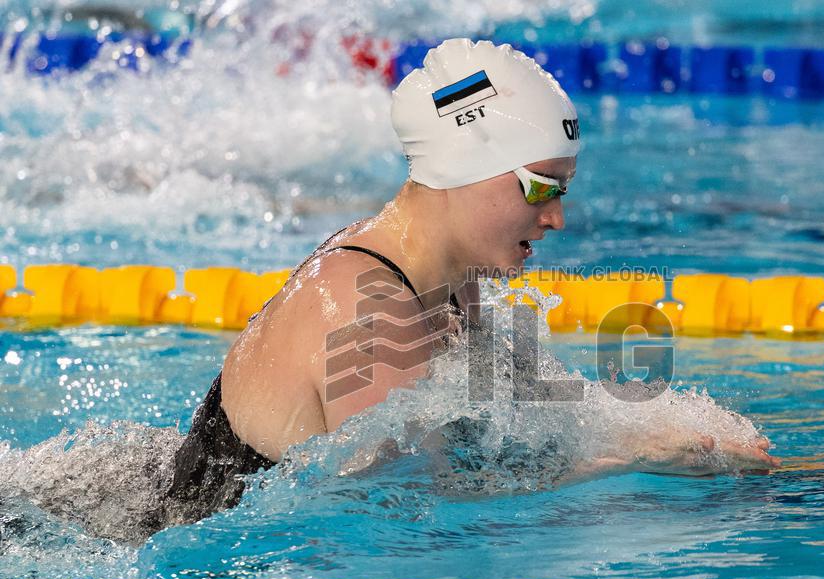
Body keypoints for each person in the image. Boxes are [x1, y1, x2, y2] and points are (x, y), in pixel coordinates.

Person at [160, 38, 778, 530]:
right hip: (202, 552)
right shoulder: (370, 309)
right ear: (465, 168)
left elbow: (498, 423)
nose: (558, 217)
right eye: (542, 188)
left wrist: (658, 432)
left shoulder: (447, 276)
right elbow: (405, 513)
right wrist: (627, 467)